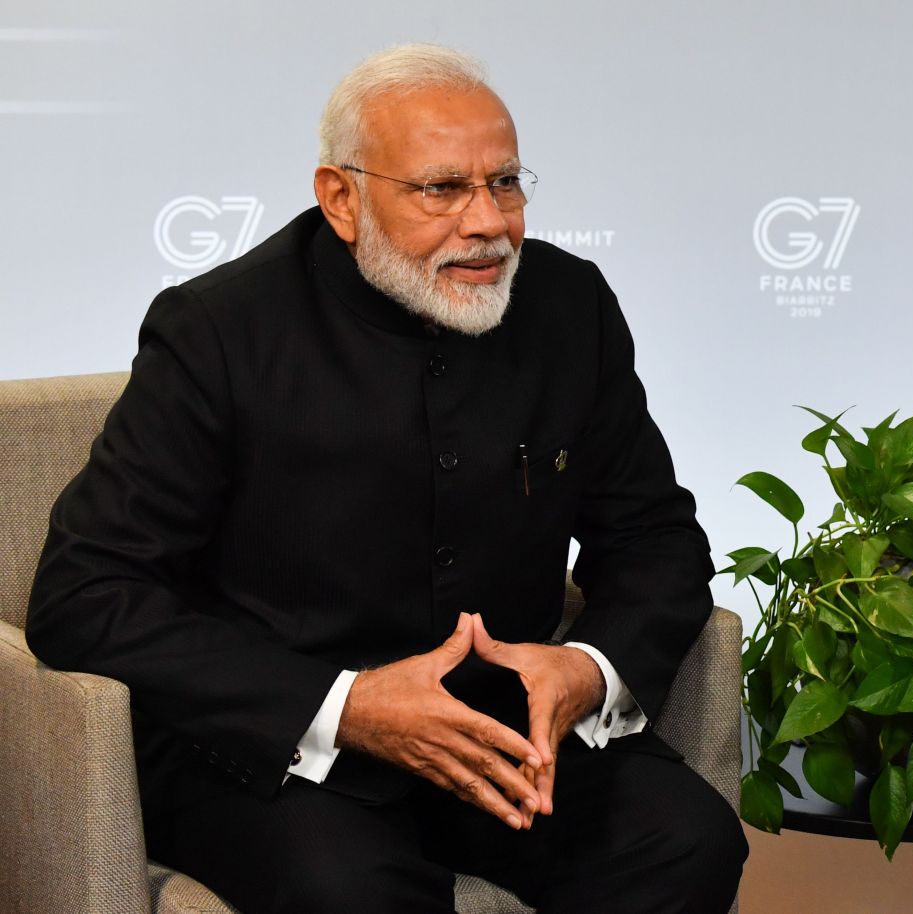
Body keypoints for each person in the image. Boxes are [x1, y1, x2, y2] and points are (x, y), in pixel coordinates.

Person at [26, 44, 745, 914]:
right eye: (442, 190)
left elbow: (656, 540)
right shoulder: (219, 332)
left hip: (499, 729)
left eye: (506, 183)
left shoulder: (569, 305)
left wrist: (588, 668)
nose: (488, 222)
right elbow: (84, 594)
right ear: (341, 198)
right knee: (351, 893)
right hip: (284, 750)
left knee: (687, 842)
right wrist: (348, 705)